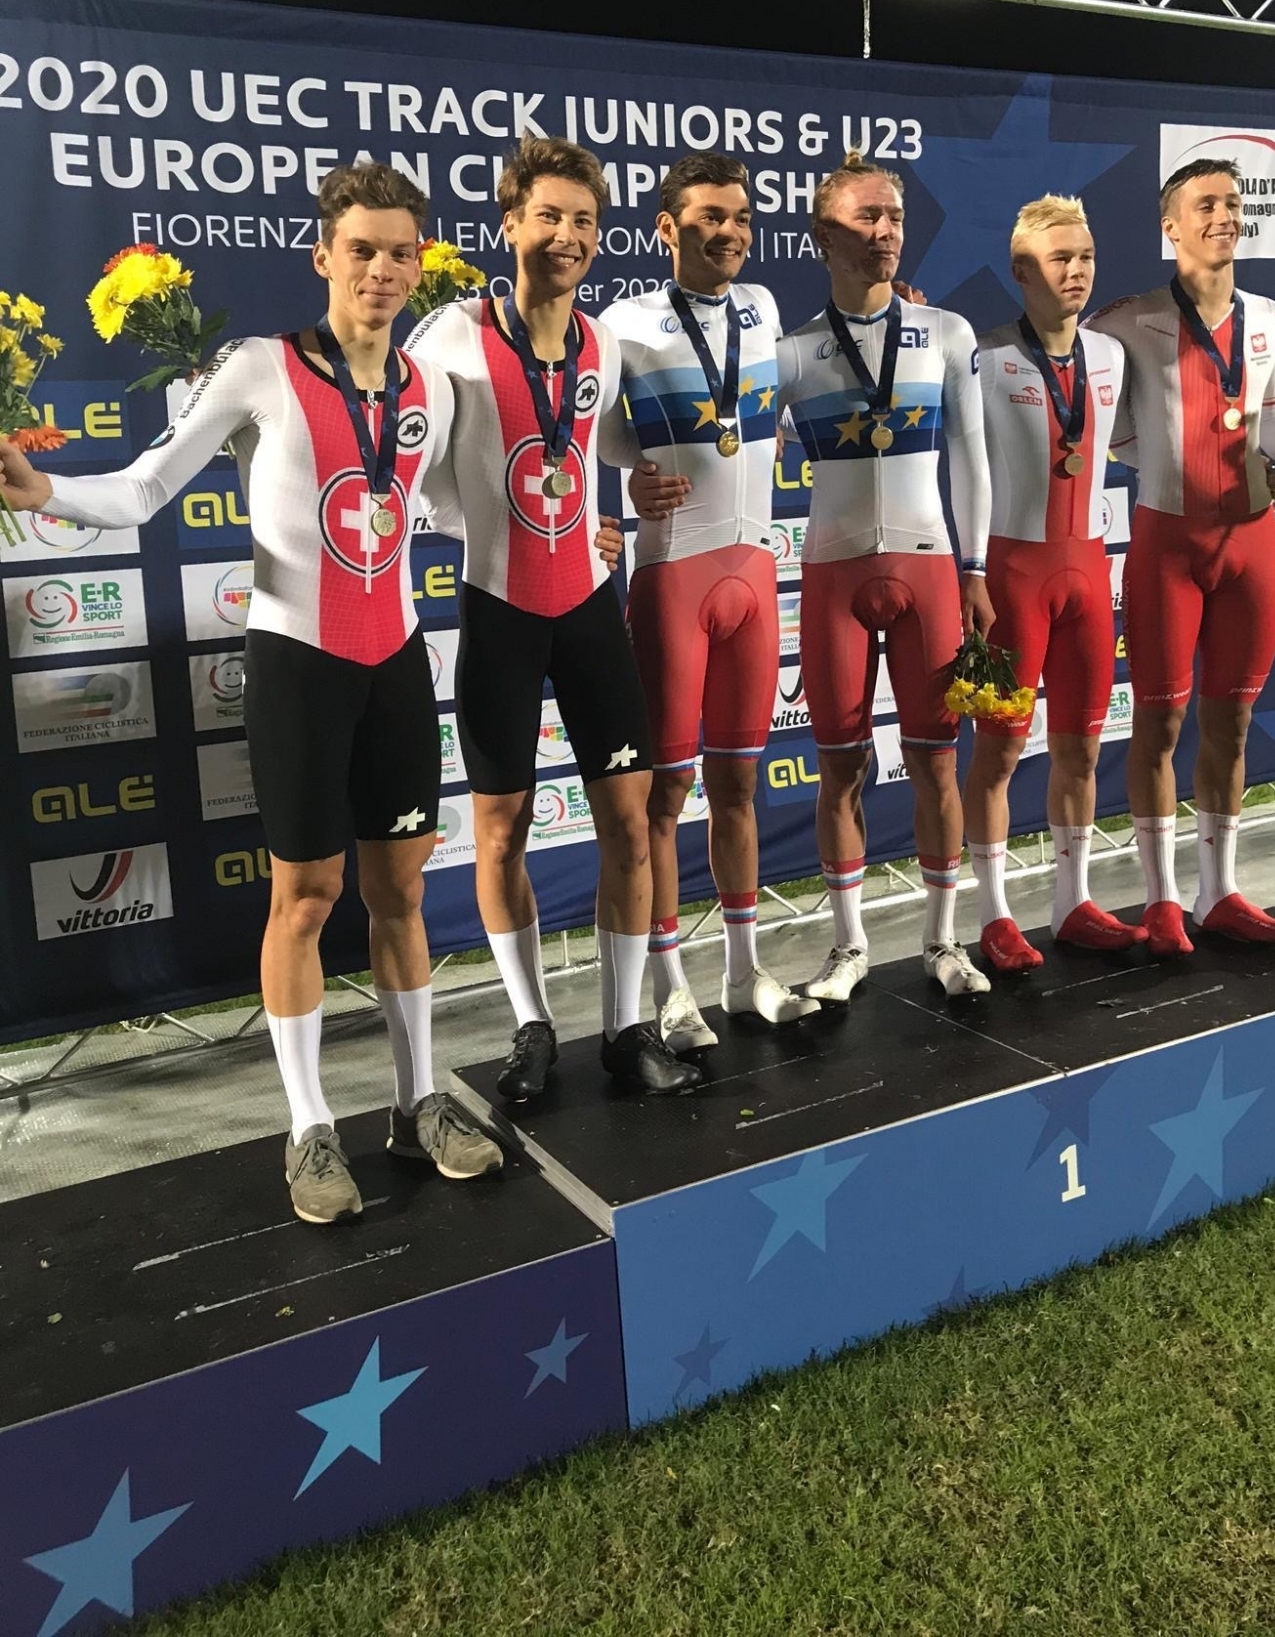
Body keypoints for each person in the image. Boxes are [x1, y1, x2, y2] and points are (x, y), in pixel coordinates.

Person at [0, 162, 504, 1223]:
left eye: (399, 250)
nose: (380, 267)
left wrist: (582, 525)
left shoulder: (434, 390)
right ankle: (310, 1125)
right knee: (306, 900)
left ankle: (416, 1103)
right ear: (322, 255)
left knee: (403, 893)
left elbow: (455, 511)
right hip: (300, 667)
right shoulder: (260, 369)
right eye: (360, 248)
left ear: (420, 264)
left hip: (398, 665)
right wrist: (47, 491)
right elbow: (145, 487)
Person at [406, 136, 700, 1097]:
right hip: (497, 608)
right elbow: (402, 467)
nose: (566, 236)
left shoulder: (603, 340)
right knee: (501, 831)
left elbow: (594, 432)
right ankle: (533, 1025)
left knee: (628, 818)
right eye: (548, 217)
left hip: (588, 612)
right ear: (510, 224)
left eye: (582, 220)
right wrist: (470, 521)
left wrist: (614, 497)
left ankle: (623, 1026)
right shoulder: (449, 336)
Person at [1094, 157, 1275, 954]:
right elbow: (1070, 388)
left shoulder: (1270, 318)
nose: (1224, 215)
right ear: (1169, 226)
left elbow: (1273, 416)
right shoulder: (1125, 321)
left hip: (1254, 543)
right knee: (1160, 721)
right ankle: (1160, 900)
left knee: (1234, 721)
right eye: (1204, 204)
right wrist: (1143, 453)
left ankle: (1220, 892)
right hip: (1167, 545)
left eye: (1233, 203)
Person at [598, 153, 818, 1049]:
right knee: (664, 795)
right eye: (709, 218)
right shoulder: (624, 322)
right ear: (666, 227)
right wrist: (618, 493)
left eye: (739, 217)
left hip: (754, 576)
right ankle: (669, 988)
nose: (728, 232)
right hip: (673, 578)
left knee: (738, 785)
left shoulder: (763, 307)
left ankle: (739, 973)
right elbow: (584, 429)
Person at [777, 151, 993, 1003]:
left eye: (895, 217)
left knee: (938, 763)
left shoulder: (946, 333)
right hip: (832, 571)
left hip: (930, 568)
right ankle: (849, 946)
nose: (886, 231)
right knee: (840, 767)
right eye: (867, 217)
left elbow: (971, 458)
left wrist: (974, 569)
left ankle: (944, 942)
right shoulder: (789, 355)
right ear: (822, 236)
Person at [966, 196, 1148, 972]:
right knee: (1001, 754)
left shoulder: (1111, 354)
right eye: (1057, 260)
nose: (1074, 273)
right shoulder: (980, 357)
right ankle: (993, 914)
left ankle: (1072, 902)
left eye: (1084, 258)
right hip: (1012, 579)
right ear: (1020, 271)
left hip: (1086, 573)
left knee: (1081, 748)